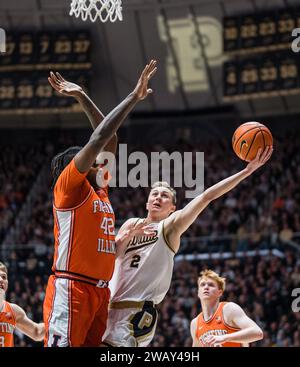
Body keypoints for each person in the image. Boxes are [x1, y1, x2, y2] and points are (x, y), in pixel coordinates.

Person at [102, 146, 273, 347]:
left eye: (164, 196)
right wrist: (127, 236)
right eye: (154, 194)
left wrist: (246, 171)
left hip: (138, 311)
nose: (158, 197)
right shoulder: (131, 224)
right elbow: (108, 258)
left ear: (172, 208)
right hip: (108, 307)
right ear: (147, 202)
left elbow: (206, 197)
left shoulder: (169, 227)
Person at [43, 60, 157, 347]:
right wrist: (133, 97)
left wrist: (82, 95)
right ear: (76, 167)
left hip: (99, 293)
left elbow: (110, 139)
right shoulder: (69, 189)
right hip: (71, 289)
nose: (99, 162)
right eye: (91, 161)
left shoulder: (100, 191)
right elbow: (99, 138)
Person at [190, 269, 263, 347]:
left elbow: (258, 333)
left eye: (211, 285)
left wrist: (224, 338)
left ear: (220, 292)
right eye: (202, 285)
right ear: (198, 292)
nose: (206, 287)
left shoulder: (228, 309)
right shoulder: (195, 323)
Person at [0, 262, 45, 347]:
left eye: (4, 277)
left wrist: (55, 321)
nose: (1, 279)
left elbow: (37, 332)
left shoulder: (13, 310)